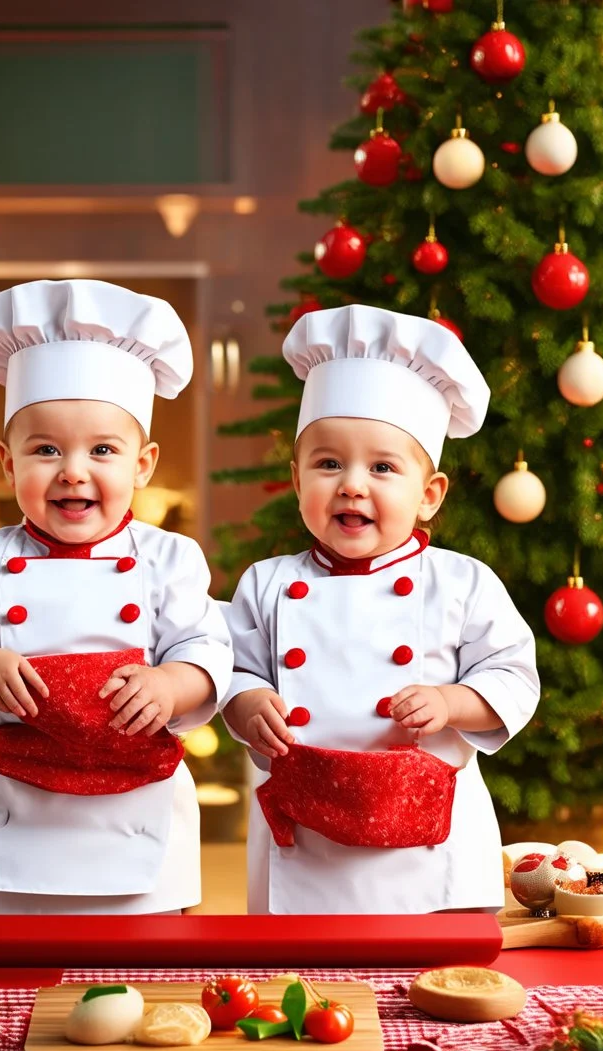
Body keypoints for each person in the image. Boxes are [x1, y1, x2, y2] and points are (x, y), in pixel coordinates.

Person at [0, 279, 232, 914]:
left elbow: (208, 650)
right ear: (8, 463)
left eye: (103, 450)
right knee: (12, 965)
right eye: (46, 450)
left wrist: (171, 684)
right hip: (16, 810)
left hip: (135, 807)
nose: (73, 471)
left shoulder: (169, 556)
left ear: (143, 465)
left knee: (142, 964)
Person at [221, 304, 540, 915]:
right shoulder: (266, 583)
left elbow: (513, 676)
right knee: (302, 976)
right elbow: (227, 667)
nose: (352, 484)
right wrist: (246, 700)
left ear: (429, 496)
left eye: (383, 467)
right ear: (296, 480)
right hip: (304, 838)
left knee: (430, 976)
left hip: (426, 848)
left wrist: (452, 702)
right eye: (328, 463)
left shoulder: (462, 582)